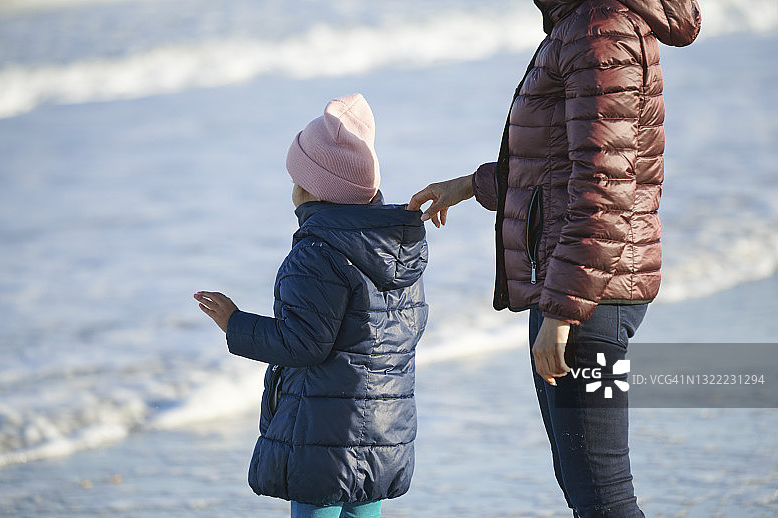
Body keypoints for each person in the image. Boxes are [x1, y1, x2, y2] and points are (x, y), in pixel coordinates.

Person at [407, 1, 700, 517]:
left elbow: (603, 188)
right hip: (582, 284)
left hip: (587, 297)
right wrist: (467, 186)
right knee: (586, 486)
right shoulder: (585, 25)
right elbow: (556, 164)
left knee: (603, 496)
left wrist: (564, 312)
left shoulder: (600, 33)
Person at [195, 93, 428, 518]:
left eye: (296, 178)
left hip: (325, 431)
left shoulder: (317, 251)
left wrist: (235, 324)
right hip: (384, 426)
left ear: (312, 188)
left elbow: (303, 343)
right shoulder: (395, 246)